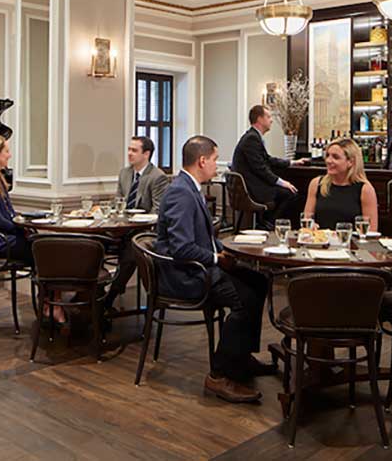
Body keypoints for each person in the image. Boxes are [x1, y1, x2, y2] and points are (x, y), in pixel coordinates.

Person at [155, 135, 273, 404]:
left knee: (258, 281)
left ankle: (242, 356)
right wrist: (218, 259)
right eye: (215, 160)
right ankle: (220, 375)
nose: (217, 166)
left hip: (199, 265)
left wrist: (221, 248)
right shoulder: (181, 193)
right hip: (185, 275)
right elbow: (182, 249)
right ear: (202, 160)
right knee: (243, 302)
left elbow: (202, 238)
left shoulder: (190, 187)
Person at [0, 135, 60, 320]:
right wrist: (22, 229)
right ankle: (50, 303)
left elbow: (8, 214)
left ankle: (50, 301)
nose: (9, 155)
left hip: (0, 236)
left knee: (46, 247)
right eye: (6, 151)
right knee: (45, 249)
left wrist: (25, 223)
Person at [105, 136, 169, 310]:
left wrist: (134, 220)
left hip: (144, 231)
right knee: (94, 243)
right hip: (120, 228)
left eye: (134, 150)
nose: (129, 154)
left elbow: (158, 212)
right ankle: (90, 293)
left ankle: (109, 297)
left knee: (131, 251)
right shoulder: (125, 173)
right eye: (129, 149)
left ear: (146, 154)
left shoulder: (157, 177)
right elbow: (118, 202)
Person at [232, 105, 307, 229]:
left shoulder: (253, 137)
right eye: (268, 116)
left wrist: (291, 162)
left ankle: (267, 222)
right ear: (260, 119)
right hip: (252, 190)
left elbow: (267, 159)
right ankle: (269, 225)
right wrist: (282, 182)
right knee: (291, 193)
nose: (271, 120)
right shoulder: (251, 139)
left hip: (253, 186)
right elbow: (260, 168)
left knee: (289, 192)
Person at [303, 137, 378, 231]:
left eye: (335, 157)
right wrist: (311, 227)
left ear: (350, 162)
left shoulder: (365, 189)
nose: (329, 161)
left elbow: (371, 231)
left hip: (351, 243)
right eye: (328, 155)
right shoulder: (317, 184)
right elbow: (307, 220)